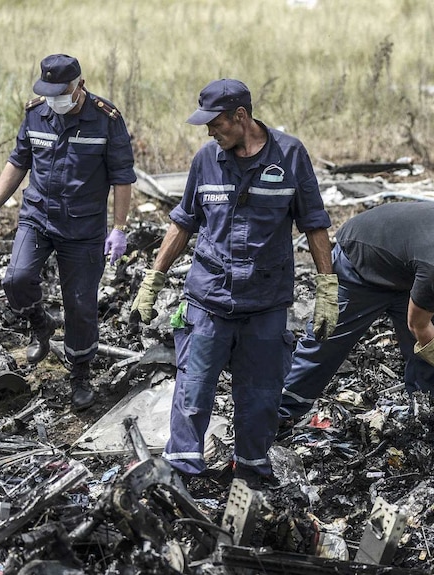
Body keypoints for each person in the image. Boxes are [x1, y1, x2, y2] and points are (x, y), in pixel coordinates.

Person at [129, 78, 336, 489]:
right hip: (209, 299)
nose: (209, 131)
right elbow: (183, 223)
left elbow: (314, 224)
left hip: (265, 302)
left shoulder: (290, 156)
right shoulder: (206, 160)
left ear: (241, 117)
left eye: (216, 123)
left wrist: (327, 290)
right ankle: (181, 476)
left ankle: (252, 475)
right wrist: (153, 280)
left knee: (260, 399)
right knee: (193, 390)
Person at [0, 54, 135, 410]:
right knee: (16, 278)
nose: (54, 99)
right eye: (48, 92)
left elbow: (122, 176)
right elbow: (19, 161)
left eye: (60, 92)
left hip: (83, 226)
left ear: (79, 84)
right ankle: (40, 324)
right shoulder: (36, 113)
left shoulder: (107, 119)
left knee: (80, 305)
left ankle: (79, 373)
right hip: (37, 216)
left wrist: (119, 227)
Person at [279, 201, 434, 424]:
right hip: (361, 264)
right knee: (327, 342)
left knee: (431, 357)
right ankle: (282, 410)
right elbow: (418, 325)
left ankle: (426, 411)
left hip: (408, 270)